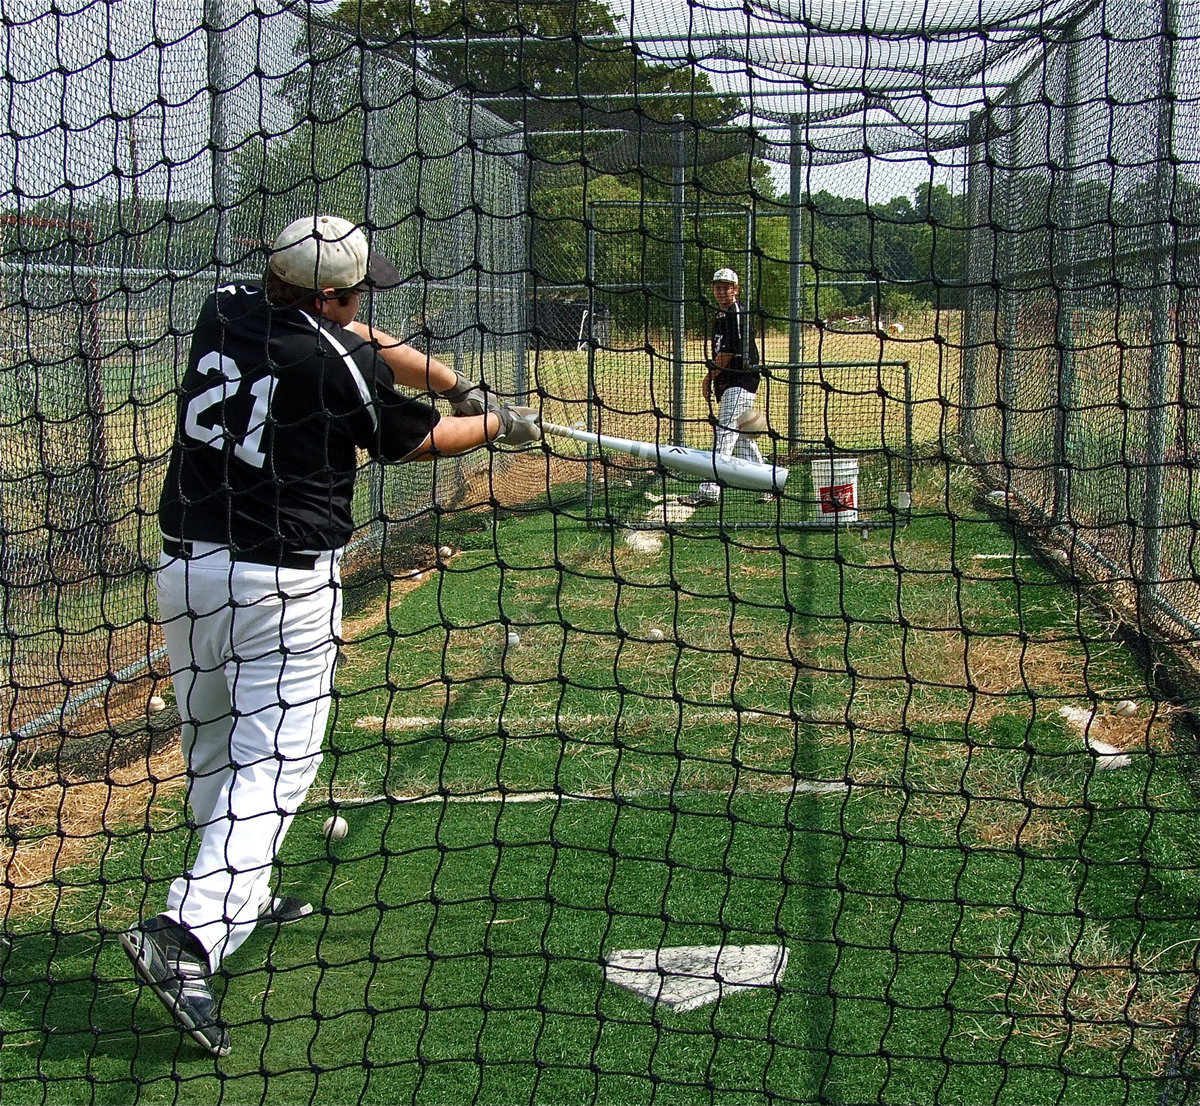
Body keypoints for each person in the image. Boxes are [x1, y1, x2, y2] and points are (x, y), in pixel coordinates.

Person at [120, 214, 540, 1057]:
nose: (361, 305)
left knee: (213, 742)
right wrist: (498, 423)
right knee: (278, 760)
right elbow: (410, 438)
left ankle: (239, 882)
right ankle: (190, 934)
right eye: (354, 292)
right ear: (331, 295)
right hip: (280, 583)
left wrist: (456, 379)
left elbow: (369, 339)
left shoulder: (227, 304)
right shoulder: (330, 357)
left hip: (187, 571)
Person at [677, 267, 766, 507]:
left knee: (724, 434)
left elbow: (728, 352)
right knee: (741, 436)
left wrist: (708, 378)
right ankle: (769, 481)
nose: (721, 290)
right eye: (717, 286)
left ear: (735, 290)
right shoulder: (720, 314)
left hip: (740, 380)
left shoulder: (734, 314)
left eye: (726, 286)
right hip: (731, 383)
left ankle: (709, 491)